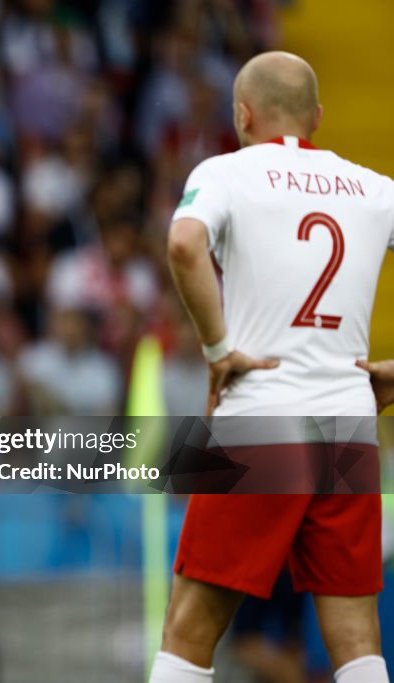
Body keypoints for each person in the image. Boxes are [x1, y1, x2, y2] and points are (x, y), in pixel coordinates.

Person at [153, 51, 390, 683]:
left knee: (189, 630)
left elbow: (182, 244)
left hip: (262, 416)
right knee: (358, 640)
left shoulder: (227, 173)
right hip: (349, 425)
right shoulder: (375, 188)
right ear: (317, 116)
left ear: (241, 113)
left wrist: (216, 349)